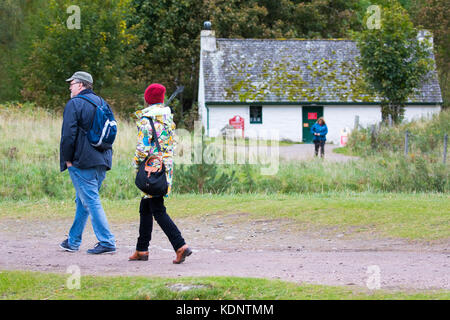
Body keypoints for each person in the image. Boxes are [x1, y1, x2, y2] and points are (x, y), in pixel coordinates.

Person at [128, 83, 192, 264]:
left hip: (151, 169)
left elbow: (142, 148)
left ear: (147, 99)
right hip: (165, 167)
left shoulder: (146, 120)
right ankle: (141, 250)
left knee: (157, 208)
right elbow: (172, 144)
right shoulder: (168, 120)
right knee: (146, 207)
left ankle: (180, 246)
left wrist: (136, 165)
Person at [59, 71, 116, 254]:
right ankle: (73, 241)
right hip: (103, 159)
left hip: (82, 161)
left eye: (72, 83)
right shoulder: (102, 103)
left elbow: (68, 135)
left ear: (81, 85)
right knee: (82, 199)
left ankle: (107, 242)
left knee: (90, 200)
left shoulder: (74, 104)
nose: (70, 86)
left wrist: (67, 160)